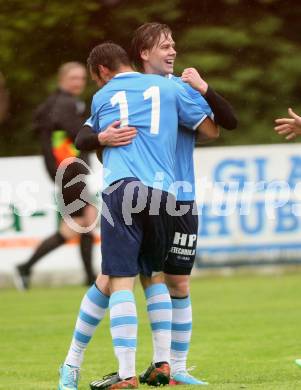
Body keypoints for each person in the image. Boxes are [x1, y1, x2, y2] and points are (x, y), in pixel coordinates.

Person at [58, 42, 219, 390]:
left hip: (122, 190)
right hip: (165, 195)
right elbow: (215, 127)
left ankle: (120, 372)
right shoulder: (171, 87)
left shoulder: (105, 96)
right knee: (154, 276)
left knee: (116, 281)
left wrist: (102, 137)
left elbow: (81, 138)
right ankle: (164, 366)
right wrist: (205, 93)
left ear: (101, 71)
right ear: (138, 57)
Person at [87, 23, 237, 387]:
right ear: (143, 53)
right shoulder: (129, 91)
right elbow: (91, 135)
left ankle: (174, 367)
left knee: (177, 282)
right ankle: (128, 365)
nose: (172, 52)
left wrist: (200, 90)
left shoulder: (178, 89)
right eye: (164, 46)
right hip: (152, 194)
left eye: (174, 46)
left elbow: (216, 128)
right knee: (122, 278)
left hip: (180, 196)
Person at [14, 62, 97, 289]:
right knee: (81, 224)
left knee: (83, 224)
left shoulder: (54, 103)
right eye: (74, 78)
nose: (79, 82)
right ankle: (27, 267)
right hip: (69, 171)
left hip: (67, 171)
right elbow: (78, 135)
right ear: (62, 79)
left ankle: (88, 277)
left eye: (81, 78)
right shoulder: (66, 104)